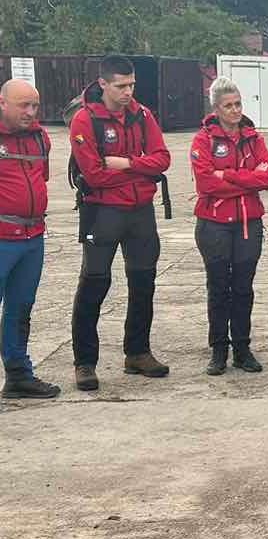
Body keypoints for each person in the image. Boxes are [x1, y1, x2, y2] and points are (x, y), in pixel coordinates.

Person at [69, 54, 172, 392]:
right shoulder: (85, 120)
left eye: (132, 85)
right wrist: (142, 169)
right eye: (121, 86)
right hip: (102, 213)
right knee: (94, 283)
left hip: (140, 212)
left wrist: (126, 164)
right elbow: (94, 175)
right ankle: (85, 362)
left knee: (143, 283)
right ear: (103, 84)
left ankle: (137, 353)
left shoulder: (143, 115)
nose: (128, 92)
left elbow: (163, 159)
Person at [190, 77, 268, 375]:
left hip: (248, 224)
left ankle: (242, 348)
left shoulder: (254, 138)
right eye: (228, 106)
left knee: (243, 288)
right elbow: (205, 183)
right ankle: (218, 349)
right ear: (216, 109)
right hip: (214, 225)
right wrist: (248, 178)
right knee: (218, 288)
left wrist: (226, 175)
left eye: (238, 104)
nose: (236, 110)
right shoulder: (203, 140)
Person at [0, 79, 58, 398]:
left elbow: (40, 179)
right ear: (3, 104)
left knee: (21, 308)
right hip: (2, 239)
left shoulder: (40, 138)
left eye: (34, 105)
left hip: (32, 238)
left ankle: (19, 375)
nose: (30, 112)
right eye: (23, 105)